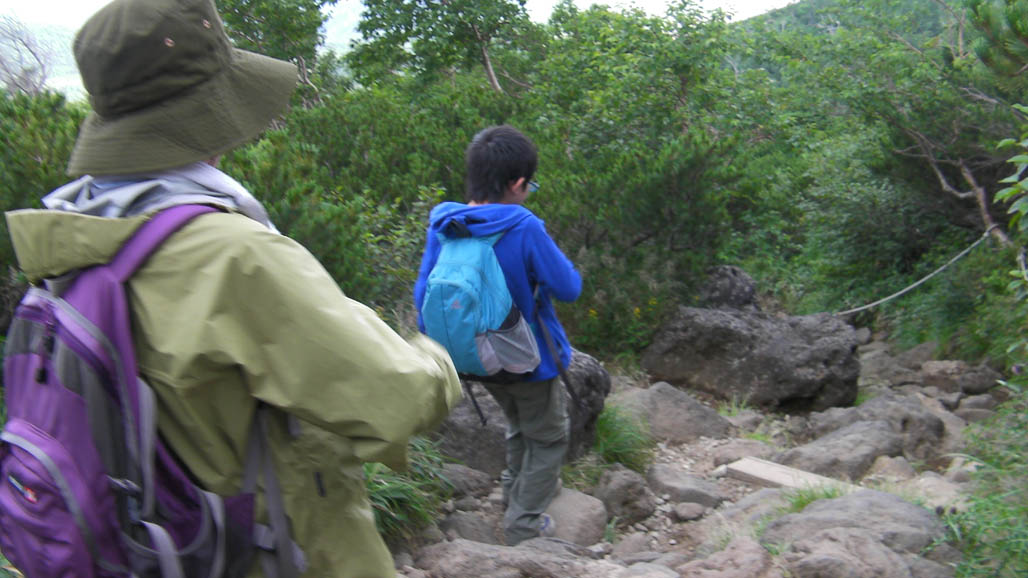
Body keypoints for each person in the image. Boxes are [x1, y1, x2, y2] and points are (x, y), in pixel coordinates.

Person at [5, 0, 462, 575]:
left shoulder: (72, 240)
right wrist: (435, 357)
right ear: (205, 114)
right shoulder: (231, 256)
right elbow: (394, 398)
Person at [413, 125, 582, 545]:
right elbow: (569, 288)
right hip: (529, 358)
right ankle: (524, 522)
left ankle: (514, 491)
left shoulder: (445, 223)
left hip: (473, 357)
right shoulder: (523, 226)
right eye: (530, 186)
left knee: (517, 421)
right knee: (548, 436)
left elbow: (422, 296)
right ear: (518, 183)